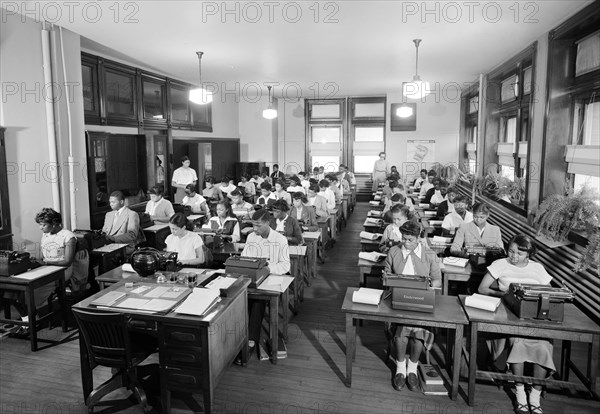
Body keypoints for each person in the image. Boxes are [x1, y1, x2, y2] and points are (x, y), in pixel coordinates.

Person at [478, 234, 554, 414]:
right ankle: (520, 391)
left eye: (520, 253)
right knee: (517, 342)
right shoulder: (500, 265)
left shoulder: (537, 268)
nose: (514, 256)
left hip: (535, 317)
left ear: (529, 254)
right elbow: (482, 288)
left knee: (544, 346)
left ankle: (535, 394)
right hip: (510, 315)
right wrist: (505, 296)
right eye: (511, 251)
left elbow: (550, 293)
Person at [384, 221, 441, 392]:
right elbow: (387, 276)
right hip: (399, 299)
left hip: (421, 300)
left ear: (419, 238)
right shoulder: (394, 251)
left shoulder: (429, 254)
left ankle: (413, 368)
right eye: (404, 239)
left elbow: (437, 280)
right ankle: (400, 368)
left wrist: (431, 288)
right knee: (402, 328)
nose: (406, 243)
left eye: (410, 240)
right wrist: (387, 279)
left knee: (419, 332)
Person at [242, 209, 290, 351]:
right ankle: (237, 338)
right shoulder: (251, 237)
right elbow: (245, 257)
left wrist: (268, 268)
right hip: (253, 276)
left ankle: (251, 339)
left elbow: (285, 265)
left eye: (258, 225)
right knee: (237, 296)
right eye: (253, 225)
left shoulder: (280, 239)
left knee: (257, 300)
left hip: (271, 277)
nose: (255, 229)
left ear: (268, 223)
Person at [102, 191, 145, 255]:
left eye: (113, 202)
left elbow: (132, 235)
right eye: (110, 202)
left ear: (121, 202)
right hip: (109, 244)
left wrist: (114, 239)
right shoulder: (108, 214)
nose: (111, 204)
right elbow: (104, 231)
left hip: (124, 246)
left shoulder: (131, 214)